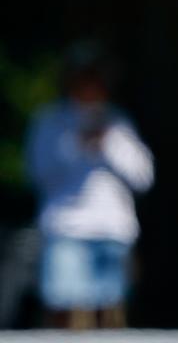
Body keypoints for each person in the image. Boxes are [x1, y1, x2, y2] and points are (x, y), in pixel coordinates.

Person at [24, 42, 154, 329]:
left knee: (110, 313)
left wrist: (108, 144)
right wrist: (76, 145)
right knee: (65, 309)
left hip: (112, 229)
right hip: (66, 229)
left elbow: (143, 176)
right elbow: (38, 172)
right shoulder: (51, 122)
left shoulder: (118, 123)